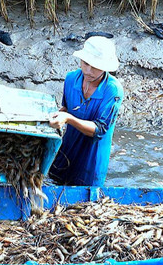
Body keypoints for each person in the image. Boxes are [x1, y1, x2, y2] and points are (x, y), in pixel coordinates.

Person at [48, 36, 124, 186]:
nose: (89, 71)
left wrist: (68, 119)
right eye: (86, 64)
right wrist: (58, 114)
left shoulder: (113, 90)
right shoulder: (71, 79)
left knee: (84, 198)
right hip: (68, 147)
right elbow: (66, 108)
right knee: (55, 184)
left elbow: (100, 129)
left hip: (92, 156)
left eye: (96, 66)